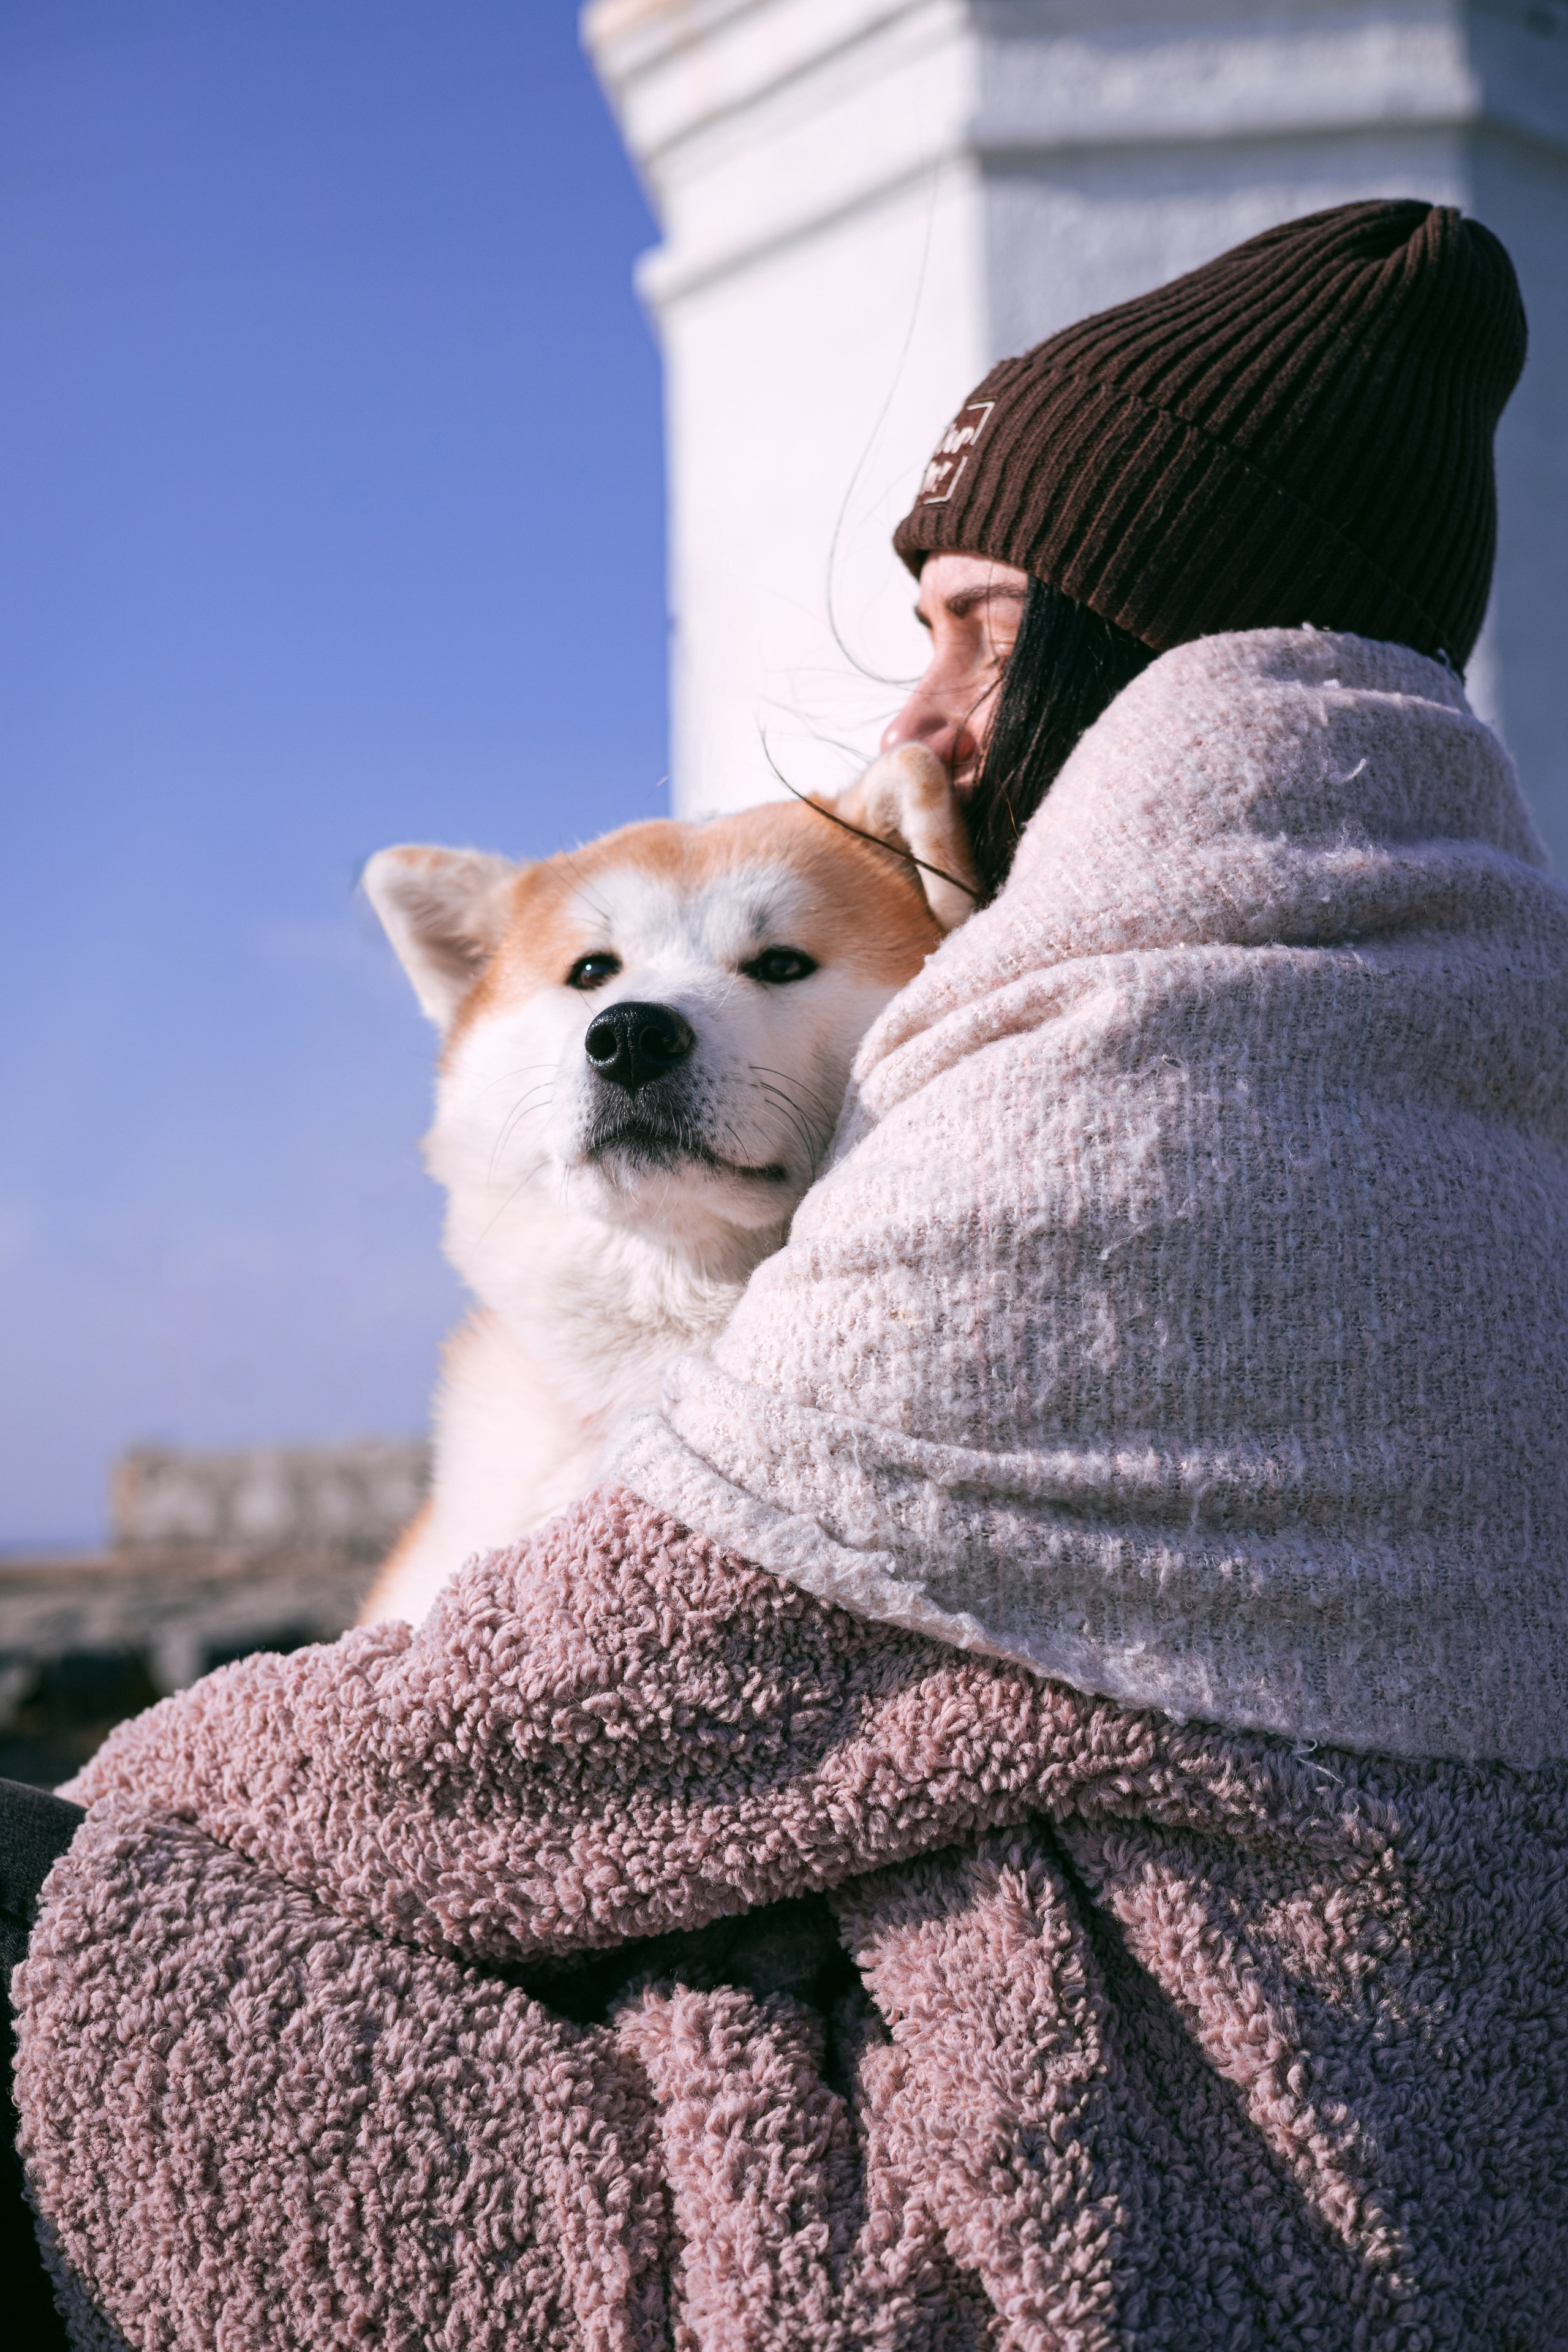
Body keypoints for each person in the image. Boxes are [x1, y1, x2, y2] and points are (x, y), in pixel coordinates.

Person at [7, 198, 1567, 2350]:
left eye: (980, 624)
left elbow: (577, 1710)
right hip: (1382, 2124)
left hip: (1134, 2206)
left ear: (1159, 633)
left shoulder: (1126, 1106)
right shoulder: (1435, 1010)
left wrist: (88, 1817)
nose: (918, 709)